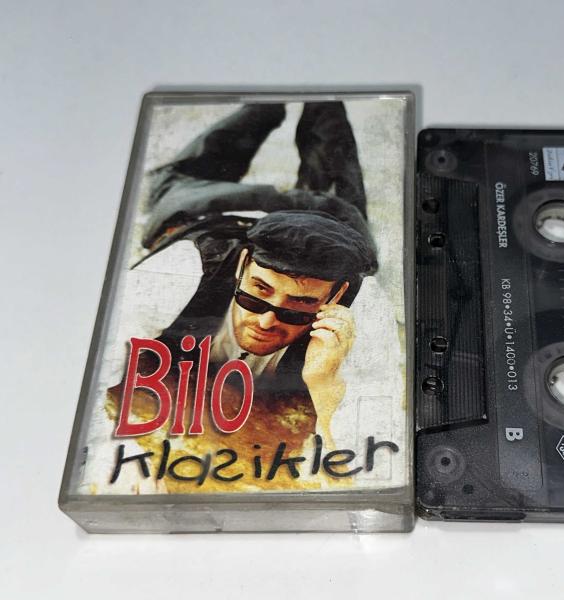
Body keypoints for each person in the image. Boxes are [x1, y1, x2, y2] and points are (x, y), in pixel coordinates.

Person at [109, 101, 379, 475]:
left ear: (335, 296)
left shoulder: (362, 311)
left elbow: (358, 457)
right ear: (241, 265)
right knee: (191, 171)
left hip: (329, 217)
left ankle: (323, 95)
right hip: (214, 209)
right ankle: (267, 104)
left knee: (331, 143)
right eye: (258, 293)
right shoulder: (178, 271)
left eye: (298, 306)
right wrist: (125, 464)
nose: (267, 320)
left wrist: (324, 382)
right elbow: (102, 368)